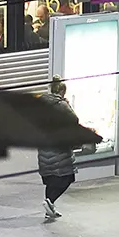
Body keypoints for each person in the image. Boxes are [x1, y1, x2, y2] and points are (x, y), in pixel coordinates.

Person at [38, 77, 78, 222]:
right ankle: (50, 201)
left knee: (50, 178)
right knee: (68, 177)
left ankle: (49, 209)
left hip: (43, 146)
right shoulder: (61, 105)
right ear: (61, 91)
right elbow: (74, 120)